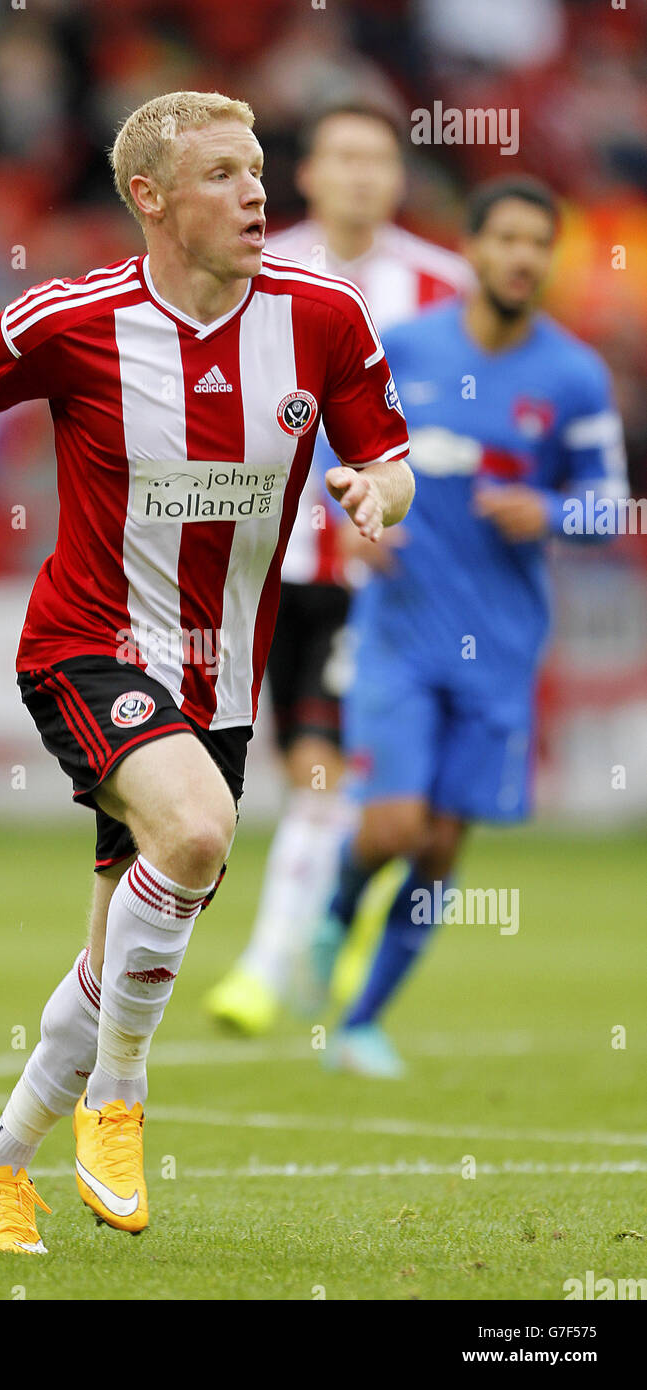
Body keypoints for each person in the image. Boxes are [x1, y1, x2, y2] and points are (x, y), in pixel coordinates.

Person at [0, 90, 414, 1253]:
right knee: (193, 835)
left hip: (219, 681)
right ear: (149, 197)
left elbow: (388, 460)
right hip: (87, 644)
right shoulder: (74, 318)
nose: (256, 194)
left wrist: (374, 491)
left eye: (257, 170)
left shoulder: (323, 319)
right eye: (223, 175)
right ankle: (121, 1097)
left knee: (117, 949)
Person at [311, 176, 627, 1078]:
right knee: (393, 827)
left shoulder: (571, 377)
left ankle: (362, 1022)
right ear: (474, 249)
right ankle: (333, 915)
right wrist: (352, 515)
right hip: (401, 631)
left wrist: (552, 512)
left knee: (441, 848)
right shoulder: (403, 349)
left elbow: (610, 507)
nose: (523, 257)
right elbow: (334, 447)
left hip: (499, 645)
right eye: (507, 240)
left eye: (539, 243)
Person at [206, 100, 471, 1035]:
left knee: (390, 792)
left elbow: (462, 427)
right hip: (294, 570)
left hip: (410, 581)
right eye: (341, 157)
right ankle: (309, 949)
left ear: (398, 178)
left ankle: (275, 966)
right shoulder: (259, 270)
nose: (360, 174)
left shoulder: (447, 287)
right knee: (315, 776)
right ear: (306, 176)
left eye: (378, 159)